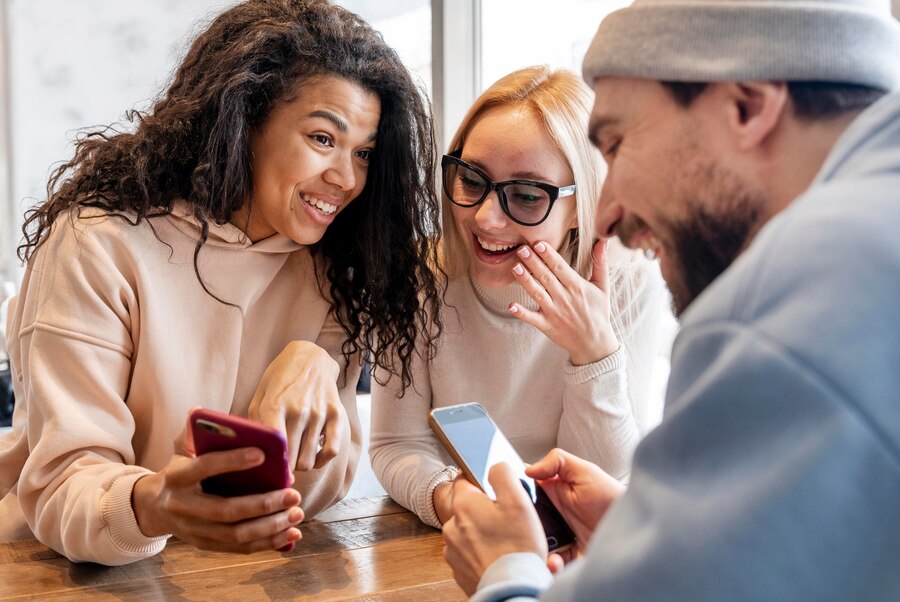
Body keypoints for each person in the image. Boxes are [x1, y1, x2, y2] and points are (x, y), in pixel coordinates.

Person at [441, 0, 900, 599]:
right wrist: (654, 539)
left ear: (747, 107)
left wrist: (506, 574)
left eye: (618, 145)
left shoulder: (779, 310)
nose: (608, 213)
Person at [0, 0, 444, 565]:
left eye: (364, 153)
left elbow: (317, 490)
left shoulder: (333, 263)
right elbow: (63, 484)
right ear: (246, 119)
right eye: (323, 139)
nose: (346, 177)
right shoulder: (98, 244)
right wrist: (156, 503)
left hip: (240, 574)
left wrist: (317, 363)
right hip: (60, 574)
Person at [369, 66, 670, 529]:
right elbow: (396, 444)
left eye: (526, 195)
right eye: (471, 180)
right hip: (454, 537)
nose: (487, 219)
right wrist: (458, 502)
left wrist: (594, 354)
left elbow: (607, 481)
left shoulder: (628, 285)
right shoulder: (416, 276)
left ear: (581, 205)